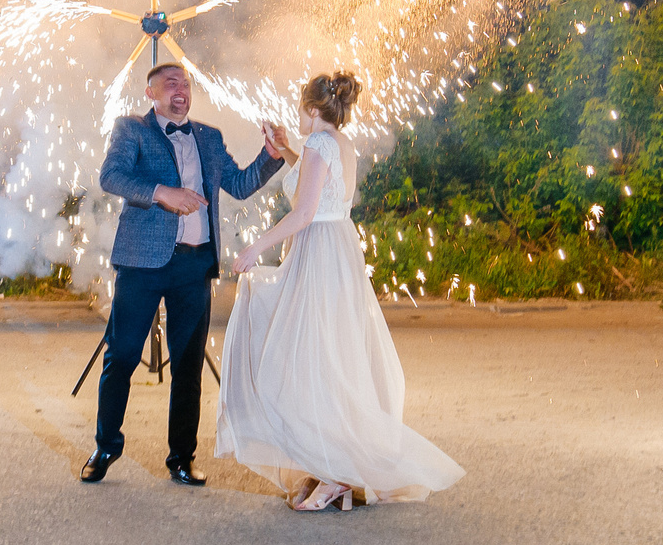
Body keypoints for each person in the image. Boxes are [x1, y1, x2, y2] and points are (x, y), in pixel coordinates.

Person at [216, 71, 466, 511]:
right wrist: (286, 150)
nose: (299, 119)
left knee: (310, 356)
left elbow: (306, 212)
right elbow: (321, 190)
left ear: (313, 111)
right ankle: (335, 470)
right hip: (337, 249)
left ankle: (334, 474)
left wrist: (257, 247)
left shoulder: (318, 145)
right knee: (329, 354)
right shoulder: (339, 144)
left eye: (301, 112)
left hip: (318, 251)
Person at [82, 62, 291, 487]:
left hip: (194, 265)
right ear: (151, 93)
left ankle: (181, 457)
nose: (181, 90)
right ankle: (105, 446)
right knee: (121, 356)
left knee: (189, 366)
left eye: (186, 84)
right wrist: (163, 193)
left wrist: (271, 155)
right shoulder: (132, 129)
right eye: (170, 83)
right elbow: (111, 176)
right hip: (142, 263)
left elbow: (240, 183)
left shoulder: (209, 137)